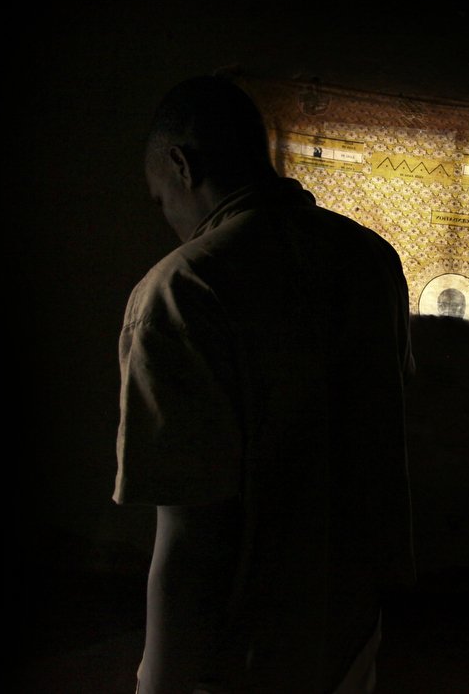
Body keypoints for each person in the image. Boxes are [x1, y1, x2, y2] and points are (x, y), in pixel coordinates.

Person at [113, 75, 416, 693]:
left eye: (160, 198)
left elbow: (191, 533)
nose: (169, 220)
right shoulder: (370, 259)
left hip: (246, 653)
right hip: (350, 627)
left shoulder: (182, 291)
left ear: (180, 165)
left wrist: (158, 681)